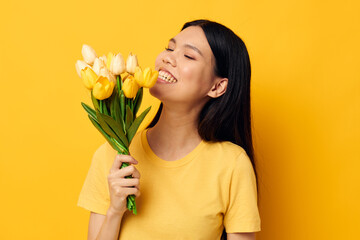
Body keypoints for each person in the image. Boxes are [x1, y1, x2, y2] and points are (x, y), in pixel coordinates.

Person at [77, 19, 261, 240]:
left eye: (188, 56)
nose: (167, 57)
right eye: (170, 48)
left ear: (217, 87)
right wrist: (115, 211)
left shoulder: (232, 165)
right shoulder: (113, 156)